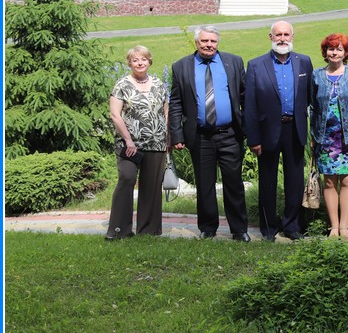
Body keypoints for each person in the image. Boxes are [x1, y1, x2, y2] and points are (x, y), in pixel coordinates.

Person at [169, 26, 251, 242]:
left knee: (234, 183)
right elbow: (176, 102)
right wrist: (177, 135)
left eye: (213, 41)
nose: (209, 45)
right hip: (200, 136)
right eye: (204, 41)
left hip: (230, 134)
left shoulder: (233, 62)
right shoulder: (181, 66)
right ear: (197, 42)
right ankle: (207, 227)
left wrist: (249, 129)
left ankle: (239, 229)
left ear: (218, 42)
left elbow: (245, 97)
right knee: (204, 184)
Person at [244, 21, 314, 242]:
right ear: (270, 37)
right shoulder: (255, 65)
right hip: (267, 132)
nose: (282, 38)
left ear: (293, 36)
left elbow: (312, 98)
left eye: (286, 34)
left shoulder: (304, 62)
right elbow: (250, 105)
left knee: (294, 181)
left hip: (295, 129)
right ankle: (268, 228)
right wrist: (253, 138)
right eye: (278, 35)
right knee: (267, 181)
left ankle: (291, 225)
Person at [310, 33, 348, 243]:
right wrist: (312, 136)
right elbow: (312, 108)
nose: (334, 52)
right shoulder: (316, 76)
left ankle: (345, 227)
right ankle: (333, 226)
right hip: (325, 138)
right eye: (331, 49)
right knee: (329, 182)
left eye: (339, 49)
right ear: (325, 52)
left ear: (346, 53)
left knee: (347, 180)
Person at [105, 46, 169, 240]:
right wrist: (128, 140)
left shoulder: (159, 84)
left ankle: (148, 231)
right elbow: (115, 115)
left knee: (151, 186)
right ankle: (118, 230)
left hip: (156, 143)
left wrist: (167, 137)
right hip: (129, 145)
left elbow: (165, 112)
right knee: (127, 178)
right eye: (135, 60)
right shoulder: (122, 84)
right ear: (130, 63)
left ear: (149, 61)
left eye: (143, 59)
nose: (140, 63)